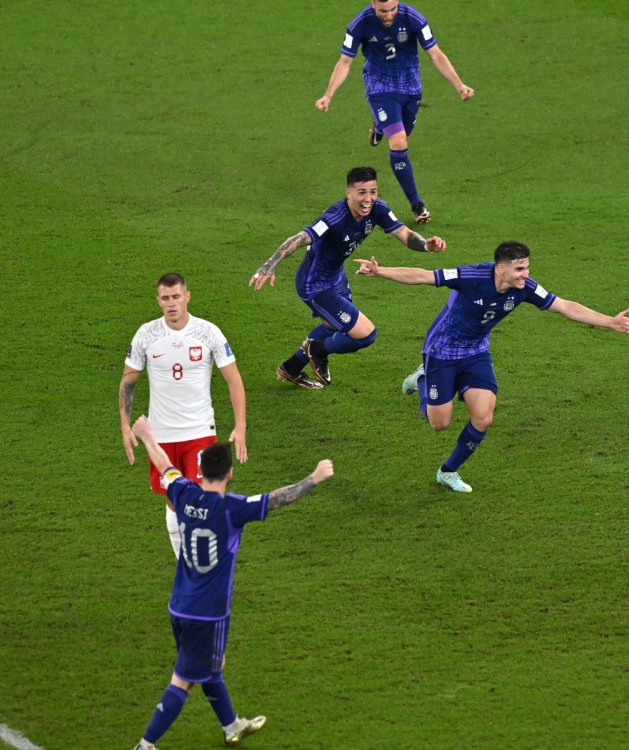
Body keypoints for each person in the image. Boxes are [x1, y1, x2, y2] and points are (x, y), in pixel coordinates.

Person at [353, 241, 629, 492]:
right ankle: (421, 379)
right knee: (438, 424)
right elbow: (424, 276)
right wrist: (380, 271)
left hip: (476, 352)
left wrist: (610, 321)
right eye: (519, 269)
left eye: (527, 267)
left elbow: (565, 306)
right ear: (500, 268)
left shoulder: (525, 288)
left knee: (483, 418)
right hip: (441, 350)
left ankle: (447, 472)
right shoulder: (471, 276)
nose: (525, 274)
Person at [129, 416, 334, 750]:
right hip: (206, 614)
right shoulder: (230, 509)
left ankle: (231, 726)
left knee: (211, 665)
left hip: (179, 605)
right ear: (230, 472)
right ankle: (146, 744)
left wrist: (148, 436)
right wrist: (315, 477)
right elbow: (278, 498)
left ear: (201, 471)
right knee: (182, 681)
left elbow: (166, 467)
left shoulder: (184, 493)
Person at [249, 166, 446, 389]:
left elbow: (406, 235)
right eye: (362, 192)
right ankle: (317, 350)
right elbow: (302, 237)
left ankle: (291, 368)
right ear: (348, 192)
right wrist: (270, 264)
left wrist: (427, 246)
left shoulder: (378, 209)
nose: (368, 199)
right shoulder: (334, 217)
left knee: (333, 325)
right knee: (365, 334)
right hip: (315, 285)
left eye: (373, 191)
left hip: (337, 277)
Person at [121, 273, 248, 557]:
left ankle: (204, 560)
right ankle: (184, 561)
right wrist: (125, 425)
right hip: (162, 436)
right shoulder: (146, 334)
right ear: (158, 301)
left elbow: (234, 380)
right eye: (165, 298)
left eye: (176, 297)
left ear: (187, 296)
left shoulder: (208, 333)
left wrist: (240, 427)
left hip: (200, 432)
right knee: (173, 500)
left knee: (202, 501)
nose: (171, 304)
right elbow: (128, 381)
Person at [315, 0, 475, 224]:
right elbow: (344, 62)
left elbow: (435, 54)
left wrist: (459, 85)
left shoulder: (414, 18)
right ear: (373, 4)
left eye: (392, 9)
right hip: (379, 88)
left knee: (402, 136)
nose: (388, 15)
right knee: (399, 142)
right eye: (383, 11)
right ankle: (417, 204)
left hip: (411, 88)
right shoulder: (359, 24)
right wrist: (328, 95)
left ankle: (379, 125)